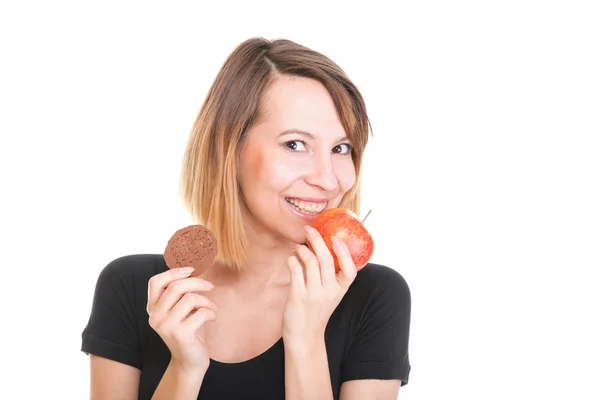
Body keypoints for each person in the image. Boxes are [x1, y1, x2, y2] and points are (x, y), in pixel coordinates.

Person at [81, 37, 411, 400]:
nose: (328, 179)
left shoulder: (374, 297)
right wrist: (185, 368)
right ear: (230, 149)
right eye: (296, 144)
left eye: (340, 148)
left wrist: (305, 341)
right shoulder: (134, 289)